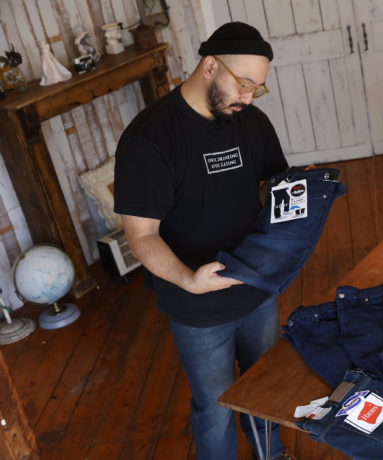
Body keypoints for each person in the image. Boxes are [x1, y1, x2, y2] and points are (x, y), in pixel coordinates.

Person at [114, 22, 295, 460]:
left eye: (258, 88)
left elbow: (275, 187)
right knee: (215, 407)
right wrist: (189, 280)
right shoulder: (149, 139)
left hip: (255, 285)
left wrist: (301, 197)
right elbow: (141, 236)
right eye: (244, 84)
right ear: (210, 65)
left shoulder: (251, 122)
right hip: (197, 304)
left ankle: (271, 455)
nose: (249, 98)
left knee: (264, 388)